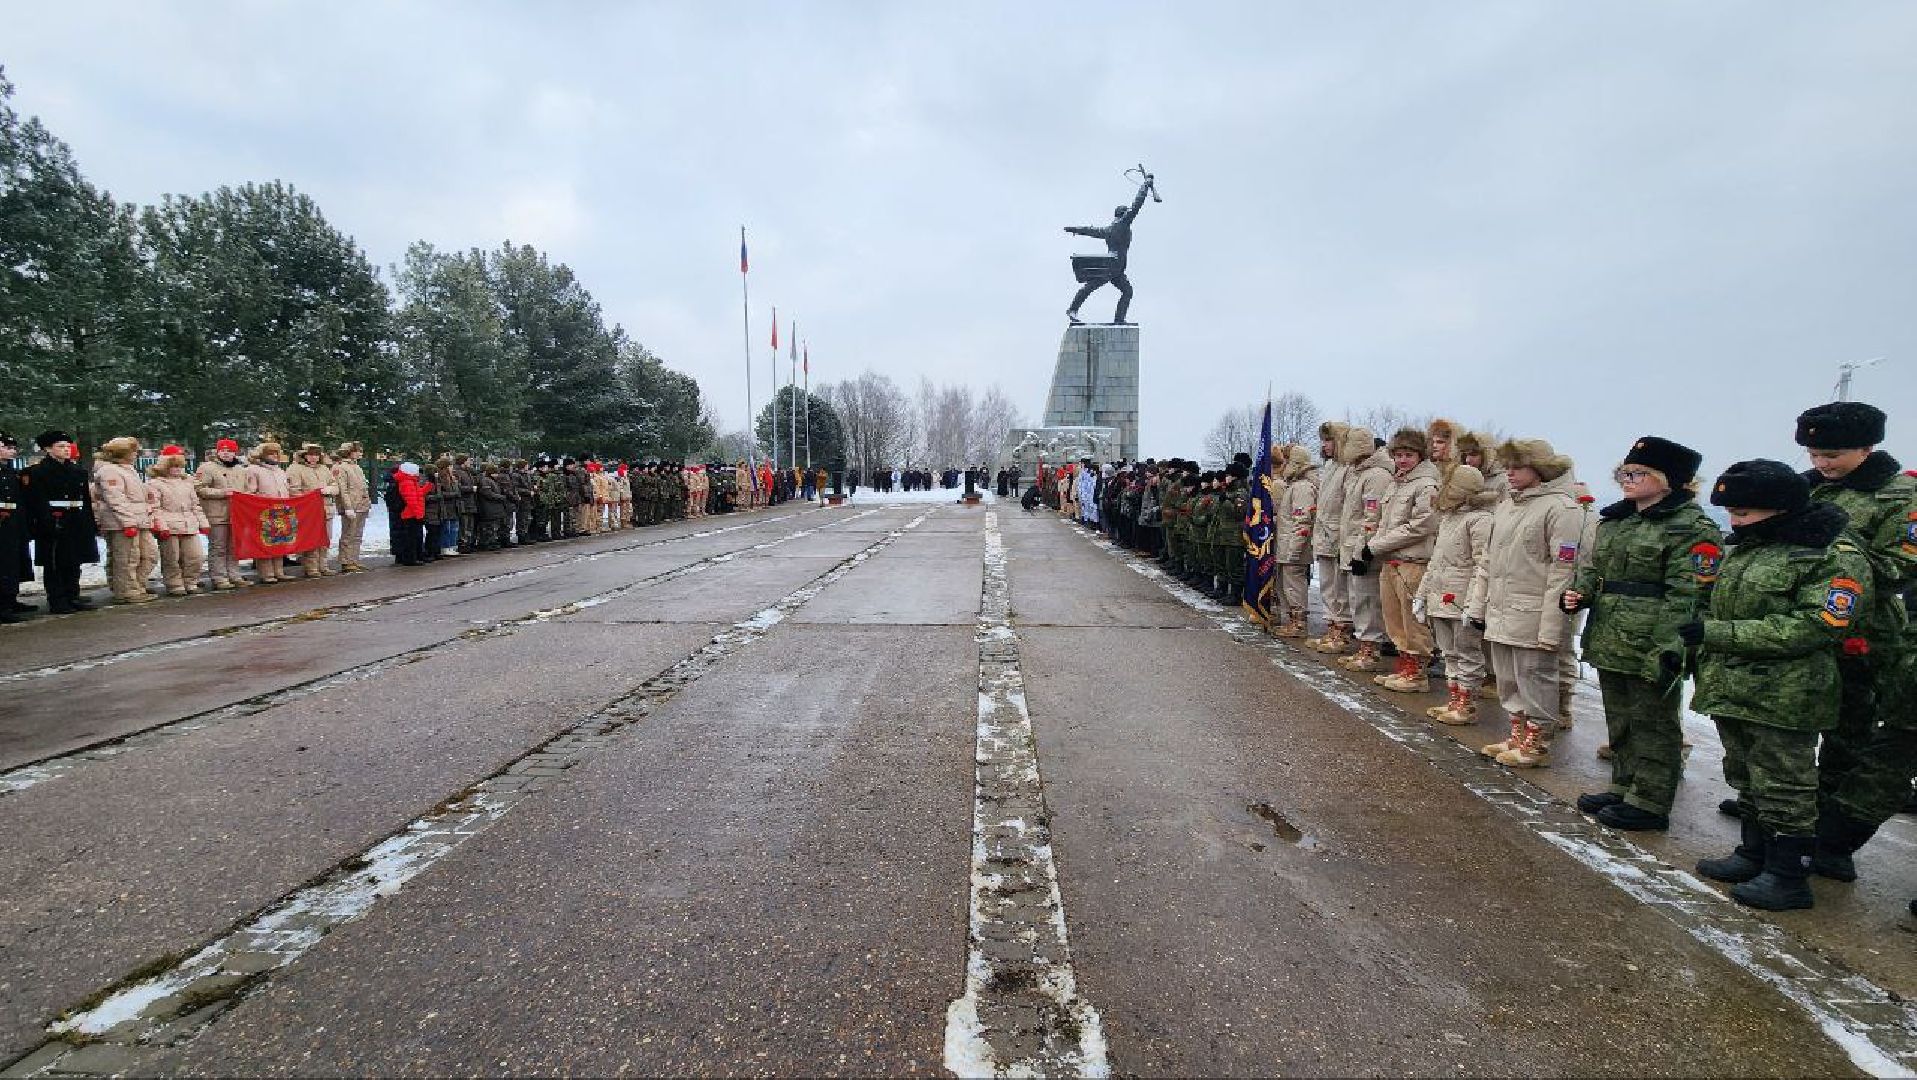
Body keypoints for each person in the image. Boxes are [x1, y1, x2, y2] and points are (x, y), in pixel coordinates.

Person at [1690, 460, 1870, 911]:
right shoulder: (1752, 545)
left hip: (1787, 693)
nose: (1735, 521)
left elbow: (1816, 626)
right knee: (1746, 774)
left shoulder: (1832, 554)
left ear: (1782, 508)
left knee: (1785, 783)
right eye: (1731, 511)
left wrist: (1719, 634)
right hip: (1736, 686)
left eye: (1745, 512)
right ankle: (1754, 853)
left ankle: (1789, 874)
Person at [1783, 402, 1917, 882]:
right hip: (1802, 625)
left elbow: (1899, 567)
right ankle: (1794, 812)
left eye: (1832, 454)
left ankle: (1831, 837)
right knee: (1800, 717)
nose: (1821, 463)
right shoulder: (1805, 489)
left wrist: (1828, 547)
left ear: (1867, 447)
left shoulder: (1900, 495)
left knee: (1851, 731)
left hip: (1866, 633)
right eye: (1815, 453)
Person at [1560, 437, 1718, 830]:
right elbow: (1598, 569)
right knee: (1621, 718)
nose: (1627, 480)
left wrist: (1668, 648)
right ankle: (1624, 785)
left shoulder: (1691, 528)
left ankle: (1650, 799)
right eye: (1625, 473)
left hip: (1652, 637)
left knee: (1654, 722)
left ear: (1669, 480)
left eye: (1638, 474)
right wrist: (1580, 592)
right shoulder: (1618, 521)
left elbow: (1690, 594)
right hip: (1612, 632)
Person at [1470, 438, 1585, 767]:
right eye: (1507, 467)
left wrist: (1552, 627)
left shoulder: (1561, 508)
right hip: (1502, 607)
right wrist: (1478, 607)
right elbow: (1488, 561)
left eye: (1518, 467)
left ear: (1539, 469)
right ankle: (1517, 732)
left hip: (1534, 609)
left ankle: (1537, 740)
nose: (1510, 474)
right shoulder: (1507, 505)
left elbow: (1562, 571)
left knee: (1535, 676)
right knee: (1508, 677)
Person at [1418, 464, 1495, 724]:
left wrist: (1474, 604)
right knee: (1449, 651)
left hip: (1461, 600)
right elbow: (1435, 562)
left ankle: (1467, 701)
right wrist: (1423, 594)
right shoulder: (1449, 519)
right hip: (1440, 597)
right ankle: (1454, 697)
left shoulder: (1480, 520)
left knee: (1467, 652)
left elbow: (1482, 565)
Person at [1367, 428, 1442, 692]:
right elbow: (1385, 521)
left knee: (1414, 620)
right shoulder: (1397, 483)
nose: (1402, 460)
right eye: (1398, 455)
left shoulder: (1426, 485)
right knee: (1394, 619)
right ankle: (1405, 664)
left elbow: (1421, 525)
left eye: (1408, 455)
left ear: (1420, 456)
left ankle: (1418, 672)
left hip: (1413, 560)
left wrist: (1377, 545)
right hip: (1391, 559)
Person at [21, 431, 98, 614]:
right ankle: (57, 599)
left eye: (67, 446)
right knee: (55, 563)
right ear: (48, 449)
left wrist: (89, 523)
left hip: (76, 520)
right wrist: (46, 522)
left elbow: (84, 500)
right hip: (54, 520)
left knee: (74, 561)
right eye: (60, 446)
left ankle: (72, 595)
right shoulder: (39, 472)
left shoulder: (77, 471)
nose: (66, 450)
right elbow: (37, 501)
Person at [1336, 426, 1392, 672]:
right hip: (1351, 545)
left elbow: (1372, 517)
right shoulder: (1357, 473)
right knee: (1357, 599)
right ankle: (1363, 645)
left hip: (1365, 549)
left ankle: (1371, 649)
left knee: (1368, 601)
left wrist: (1363, 551)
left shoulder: (1377, 476)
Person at [1063, 172, 1155, 325]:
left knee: (1119, 290)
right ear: (1123, 214)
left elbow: (1089, 230)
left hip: (1115, 266)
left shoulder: (1109, 229)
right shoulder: (1122, 224)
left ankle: (1115, 318)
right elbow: (1137, 204)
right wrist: (1145, 185)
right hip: (1113, 265)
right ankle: (1073, 309)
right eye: (1127, 213)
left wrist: (1075, 229)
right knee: (1098, 287)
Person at [91, 436, 158, 604]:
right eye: (133, 451)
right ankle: (126, 590)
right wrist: (128, 521)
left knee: (148, 555)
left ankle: (136, 585)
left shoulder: (128, 469)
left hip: (138, 519)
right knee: (127, 558)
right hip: (121, 521)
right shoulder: (109, 471)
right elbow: (116, 498)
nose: (136, 454)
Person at [1306, 423, 1354, 655]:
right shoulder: (1331, 467)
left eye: (1329, 440)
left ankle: (1342, 630)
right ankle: (1331, 626)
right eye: (1323, 441)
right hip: (1325, 534)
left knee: (1338, 588)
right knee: (1327, 586)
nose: (1324, 445)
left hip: (1338, 536)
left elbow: (1348, 506)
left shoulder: (1347, 468)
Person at [145, 447, 210, 596]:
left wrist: (203, 523)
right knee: (172, 558)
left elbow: (195, 505)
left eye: (180, 466)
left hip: (189, 523)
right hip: (169, 524)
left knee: (195, 556)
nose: (177, 469)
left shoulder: (187, 483)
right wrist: (161, 526)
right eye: (173, 466)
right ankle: (174, 584)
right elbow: (154, 508)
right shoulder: (155, 484)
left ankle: (190, 581)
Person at [1271, 444, 1319, 637]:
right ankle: (1291, 619)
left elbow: (1302, 521)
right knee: (1286, 586)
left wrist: (1294, 550)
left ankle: (1298, 622)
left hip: (1294, 549)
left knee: (1294, 586)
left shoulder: (1302, 488)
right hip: (1286, 546)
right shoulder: (1294, 485)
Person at [285, 443, 338, 577]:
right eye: (310, 454)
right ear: (304, 455)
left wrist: (329, 490)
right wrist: (310, 497)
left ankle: (323, 565)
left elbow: (335, 485)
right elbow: (293, 490)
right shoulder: (296, 469)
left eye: (316, 455)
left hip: (325, 508)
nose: (313, 457)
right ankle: (311, 566)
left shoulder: (324, 469)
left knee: (326, 538)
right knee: (311, 539)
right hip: (308, 509)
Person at [242, 441, 292, 583]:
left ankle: (279, 571)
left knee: (279, 540)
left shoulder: (280, 471)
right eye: (271, 453)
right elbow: (249, 491)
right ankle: (267, 573)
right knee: (265, 542)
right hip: (263, 511)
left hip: (281, 511)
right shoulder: (253, 470)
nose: (275, 456)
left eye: (276, 453)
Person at [0, 433, 34, 622]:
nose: (12, 451)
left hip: (14, 521)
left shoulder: (11, 472)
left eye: (13, 448)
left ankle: (10, 599)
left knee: (14, 562)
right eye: (7, 447)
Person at [332, 443, 371, 571]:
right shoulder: (341, 467)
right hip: (352, 506)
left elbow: (363, 488)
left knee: (357, 534)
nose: (360, 453)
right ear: (349, 452)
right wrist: (347, 507)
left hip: (361, 505)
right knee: (349, 534)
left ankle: (354, 559)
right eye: (357, 451)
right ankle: (346, 561)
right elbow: (343, 490)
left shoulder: (357, 467)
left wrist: (367, 503)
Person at [389, 461, 430, 565]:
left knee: (413, 536)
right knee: (411, 537)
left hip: (412, 512)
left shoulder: (410, 481)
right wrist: (418, 513)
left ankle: (413, 556)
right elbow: (411, 499)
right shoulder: (407, 482)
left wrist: (428, 487)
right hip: (410, 513)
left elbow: (418, 494)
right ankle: (410, 558)